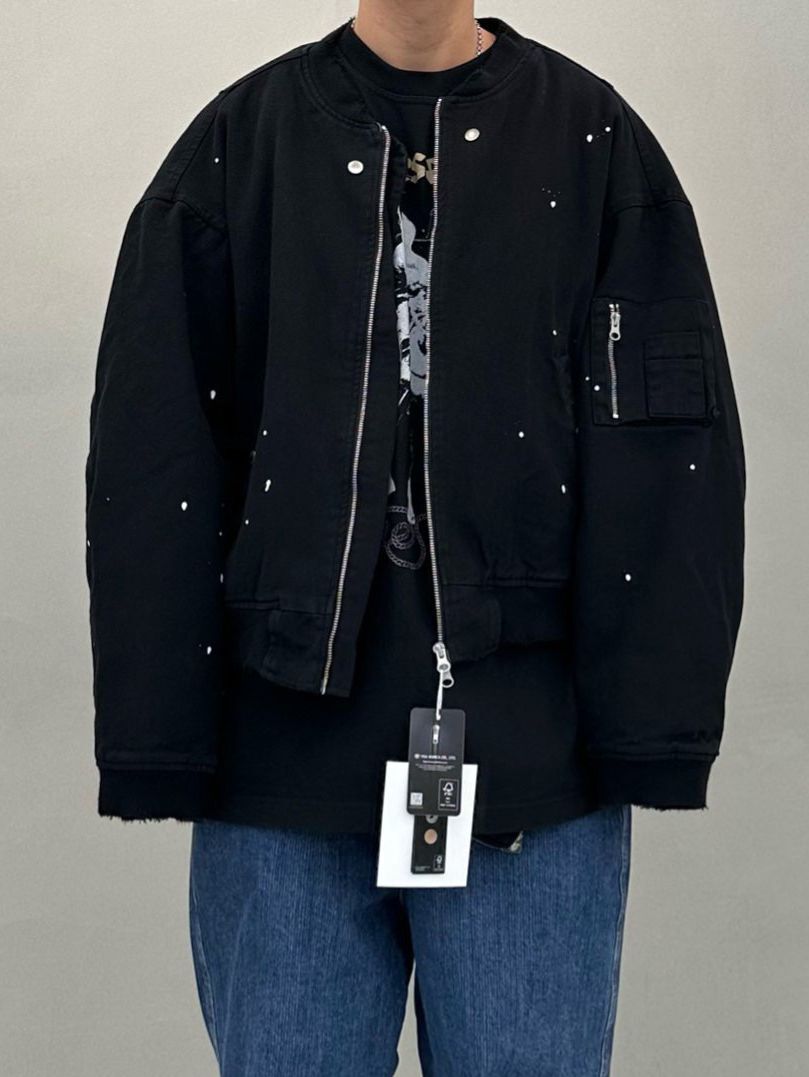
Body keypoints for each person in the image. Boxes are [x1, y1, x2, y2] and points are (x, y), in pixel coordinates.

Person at [84, 2, 746, 1074]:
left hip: (527, 769)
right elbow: (151, 454)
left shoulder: (591, 139)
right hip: (281, 767)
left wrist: (652, 726)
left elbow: (670, 448)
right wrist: (157, 741)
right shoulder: (241, 141)